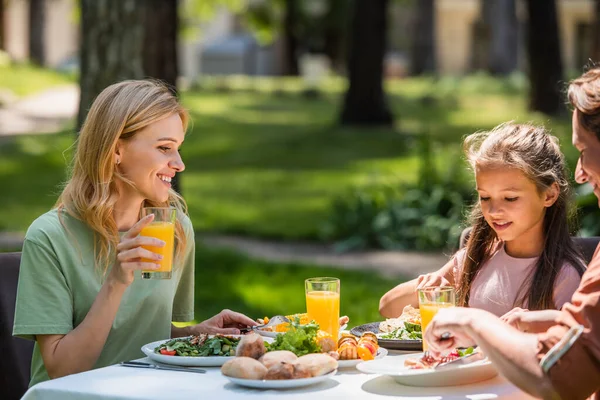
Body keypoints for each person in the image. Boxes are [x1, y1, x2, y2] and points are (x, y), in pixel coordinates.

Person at [12, 80, 256, 387]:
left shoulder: (174, 228)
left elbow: (141, 334)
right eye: (164, 148)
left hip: (145, 389)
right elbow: (63, 370)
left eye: (178, 149)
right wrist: (116, 282)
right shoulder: (50, 237)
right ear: (116, 150)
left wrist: (194, 334)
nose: (179, 164)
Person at [424, 68, 600, 399]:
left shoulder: (565, 272)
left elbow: (558, 379)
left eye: (583, 149)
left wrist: (474, 322)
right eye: (485, 197)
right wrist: (545, 321)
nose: (578, 174)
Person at [379, 123, 586, 319]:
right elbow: (387, 307)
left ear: (549, 195)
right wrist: (425, 287)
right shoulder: (478, 258)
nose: (494, 211)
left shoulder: (565, 276)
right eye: (485, 197)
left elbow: (573, 349)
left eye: (510, 198)